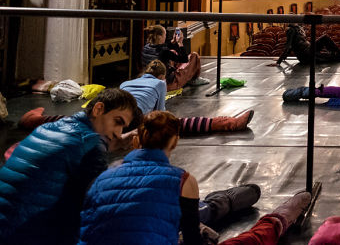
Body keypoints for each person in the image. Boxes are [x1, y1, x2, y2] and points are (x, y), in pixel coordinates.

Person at [78, 110, 263, 245]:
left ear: (135, 141)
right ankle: (234, 197)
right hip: (179, 213)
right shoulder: (182, 181)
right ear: (175, 142)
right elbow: (192, 240)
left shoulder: (103, 177)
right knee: (209, 209)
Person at [0, 88, 140, 243]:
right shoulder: (90, 145)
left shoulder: (47, 128)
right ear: (98, 109)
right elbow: (100, 201)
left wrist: (113, 145)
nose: (118, 133)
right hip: (29, 235)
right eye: (117, 121)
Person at [17, 60, 254, 136]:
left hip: (117, 111)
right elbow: (162, 111)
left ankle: (33, 120)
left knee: (67, 120)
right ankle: (226, 123)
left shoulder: (128, 82)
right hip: (135, 114)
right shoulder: (161, 84)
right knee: (175, 124)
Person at [142, 24, 203, 91]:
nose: (165, 37)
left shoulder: (146, 47)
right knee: (194, 56)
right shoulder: (164, 51)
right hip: (168, 82)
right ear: (159, 37)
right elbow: (184, 59)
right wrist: (180, 43)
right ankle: (194, 79)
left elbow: (162, 48)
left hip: (151, 79)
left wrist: (173, 41)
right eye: (164, 35)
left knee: (173, 51)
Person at [276, 23, 340, 66]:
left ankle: (339, 54)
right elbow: (289, 46)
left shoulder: (298, 28)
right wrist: (279, 61)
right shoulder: (291, 30)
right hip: (306, 54)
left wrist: (282, 59)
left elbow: (291, 45)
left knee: (330, 53)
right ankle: (339, 54)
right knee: (330, 53)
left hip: (308, 51)